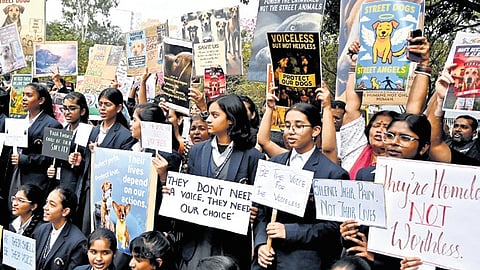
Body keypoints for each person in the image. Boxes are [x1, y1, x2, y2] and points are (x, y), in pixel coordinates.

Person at [253, 102, 349, 270]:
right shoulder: (274, 164)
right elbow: (261, 211)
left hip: (305, 260)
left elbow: (333, 227)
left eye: (299, 126)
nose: (291, 131)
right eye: (287, 125)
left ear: (315, 130)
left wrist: (289, 231)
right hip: (267, 258)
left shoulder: (332, 173)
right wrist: (260, 243)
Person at [173, 94, 264, 270]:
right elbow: (187, 191)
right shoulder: (196, 151)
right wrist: (174, 194)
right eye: (209, 114)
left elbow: (260, 206)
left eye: (215, 115)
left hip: (231, 247)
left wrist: (253, 210)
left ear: (230, 120)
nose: (209, 120)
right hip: (196, 242)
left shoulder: (253, 157)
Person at [340, 113, 435, 269]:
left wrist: (379, 260)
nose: (394, 143)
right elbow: (357, 238)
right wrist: (347, 234)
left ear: (423, 147)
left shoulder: (434, 187)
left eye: (405, 138)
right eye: (390, 135)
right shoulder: (366, 176)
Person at [74, 88, 137, 234]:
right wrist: (79, 161)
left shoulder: (125, 135)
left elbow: (123, 166)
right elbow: (87, 162)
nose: (102, 108)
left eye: (107, 104)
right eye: (100, 104)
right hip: (87, 188)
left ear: (119, 108)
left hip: (107, 194)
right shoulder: (93, 130)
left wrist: (101, 151)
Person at [9, 83, 62, 200]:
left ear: (41, 100)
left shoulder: (53, 125)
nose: (23, 98)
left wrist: (24, 159)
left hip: (37, 179)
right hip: (16, 174)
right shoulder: (18, 121)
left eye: (29, 95)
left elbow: (52, 158)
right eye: (23, 95)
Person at [47, 92, 91, 193]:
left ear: (83, 111)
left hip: (75, 186)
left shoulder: (88, 132)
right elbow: (53, 158)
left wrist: (78, 162)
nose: (67, 112)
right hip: (57, 184)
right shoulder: (61, 131)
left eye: (72, 108)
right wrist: (51, 168)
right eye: (65, 108)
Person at [34, 187, 87, 270]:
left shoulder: (77, 242)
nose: (45, 207)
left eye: (52, 205)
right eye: (46, 202)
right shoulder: (41, 229)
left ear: (65, 211)